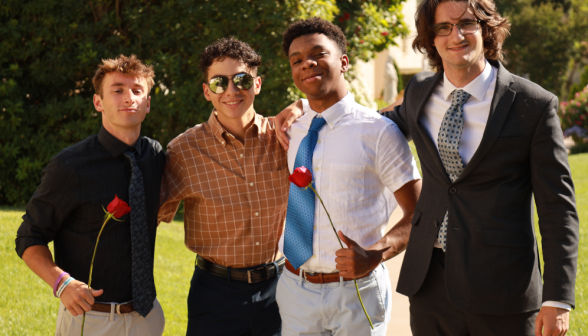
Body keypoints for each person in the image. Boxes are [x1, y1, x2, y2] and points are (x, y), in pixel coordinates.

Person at [276, 1, 580, 335]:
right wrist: (309, 105)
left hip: (502, 285)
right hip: (429, 284)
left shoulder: (533, 104)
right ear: (430, 38)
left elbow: (558, 211)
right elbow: (363, 127)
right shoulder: (420, 92)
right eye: (443, 27)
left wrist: (558, 299)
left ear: (487, 28)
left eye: (467, 23)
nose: (457, 35)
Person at [275, 17, 422, 336]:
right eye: (296, 60)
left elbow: (421, 212)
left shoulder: (378, 132)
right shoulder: (290, 129)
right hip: (295, 289)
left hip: (356, 293)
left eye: (318, 54)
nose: (307, 64)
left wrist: (377, 254)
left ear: (343, 62)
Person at [15, 54, 166, 336]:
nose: (128, 98)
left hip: (148, 317)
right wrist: (61, 283)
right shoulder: (70, 167)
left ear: (147, 104)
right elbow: (28, 236)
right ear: (98, 102)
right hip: (90, 318)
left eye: (137, 91)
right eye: (117, 90)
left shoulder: (155, 155)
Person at [157, 37, 288, 336]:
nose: (231, 90)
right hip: (215, 293)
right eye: (219, 82)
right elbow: (147, 218)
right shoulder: (183, 151)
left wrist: (302, 104)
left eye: (241, 79)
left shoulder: (284, 138)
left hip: (280, 289)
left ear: (257, 84)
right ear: (207, 91)